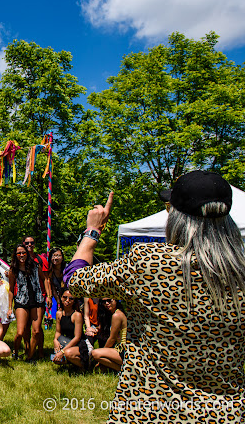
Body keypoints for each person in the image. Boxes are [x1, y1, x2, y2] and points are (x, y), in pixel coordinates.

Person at [67, 171, 245, 422]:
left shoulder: (150, 263)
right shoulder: (240, 275)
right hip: (224, 414)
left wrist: (92, 231)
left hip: (148, 412)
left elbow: (76, 280)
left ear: (177, 218)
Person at [7, 244, 44, 361]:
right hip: (21, 301)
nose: (21, 255)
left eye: (24, 253)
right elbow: (11, 289)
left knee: (37, 331)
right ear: (15, 255)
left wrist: (48, 295)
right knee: (20, 332)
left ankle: (30, 356)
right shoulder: (13, 270)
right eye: (19, 253)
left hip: (37, 300)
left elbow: (45, 279)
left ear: (27, 254)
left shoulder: (35, 266)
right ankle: (16, 351)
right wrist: (9, 307)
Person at [22, 236, 51, 355]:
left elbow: (46, 278)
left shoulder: (40, 260)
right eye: (27, 243)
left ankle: (38, 352)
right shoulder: (20, 258)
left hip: (39, 296)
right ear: (23, 244)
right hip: (24, 297)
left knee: (37, 328)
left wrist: (49, 296)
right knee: (26, 326)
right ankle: (28, 348)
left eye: (32, 243)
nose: (29, 245)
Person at [90, 298, 127, 372]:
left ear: (116, 300)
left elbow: (112, 339)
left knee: (95, 354)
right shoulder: (113, 314)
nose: (107, 303)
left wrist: (102, 352)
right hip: (120, 348)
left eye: (109, 300)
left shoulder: (117, 315)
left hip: (124, 350)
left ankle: (122, 370)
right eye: (104, 302)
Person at [52, 288, 83, 367]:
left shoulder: (77, 315)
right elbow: (58, 332)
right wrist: (55, 341)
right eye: (65, 297)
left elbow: (77, 337)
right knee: (56, 359)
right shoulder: (59, 314)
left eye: (71, 298)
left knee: (67, 353)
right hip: (66, 341)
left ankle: (83, 366)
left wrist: (62, 351)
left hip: (78, 344)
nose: (67, 300)